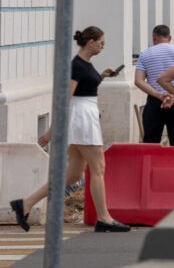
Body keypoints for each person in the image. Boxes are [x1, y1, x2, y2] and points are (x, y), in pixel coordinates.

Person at [10, 26, 130, 233]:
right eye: (101, 43)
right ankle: (104, 218)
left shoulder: (83, 65)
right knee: (98, 168)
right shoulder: (77, 66)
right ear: (90, 42)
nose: (103, 47)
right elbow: (65, 98)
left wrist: (101, 76)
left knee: (74, 175)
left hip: (84, 115)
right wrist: (52, 131)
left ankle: (26, 203)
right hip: (83, 118)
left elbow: (84, 88)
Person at [133, 24, 174, 146]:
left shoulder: (145, 54)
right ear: (169, 37)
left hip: (155, 101)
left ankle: (152, 164)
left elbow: (138, 81)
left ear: (154, 38)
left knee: (151, 142)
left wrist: (159, 95)